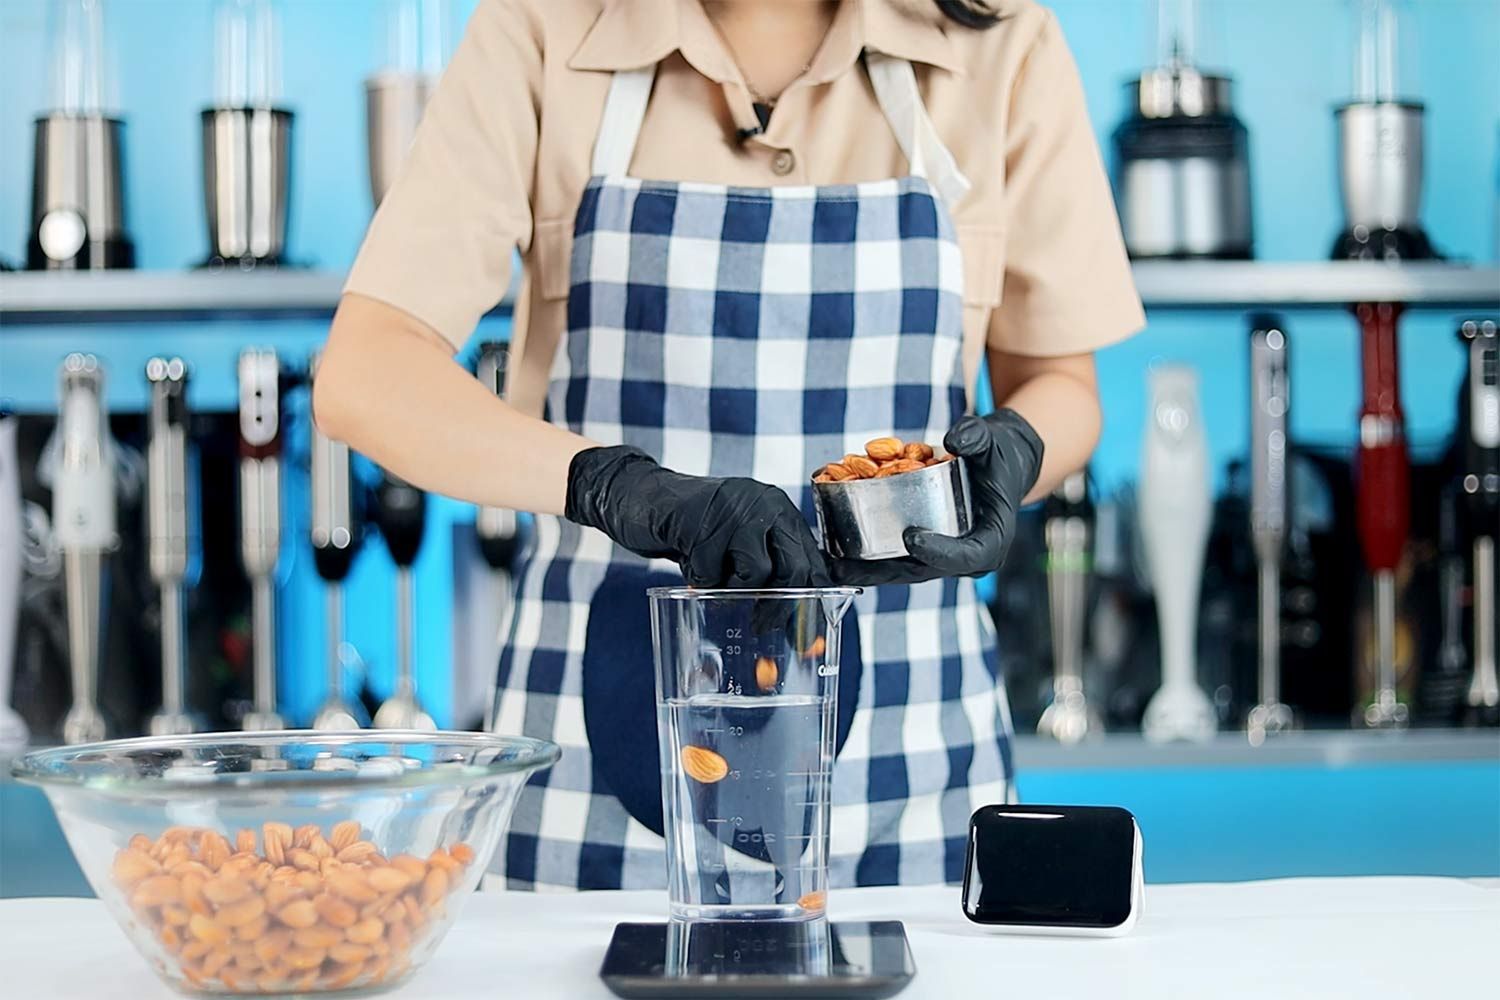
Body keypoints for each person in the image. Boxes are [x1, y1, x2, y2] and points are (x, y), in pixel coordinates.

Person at [315, 0, 1143, 891]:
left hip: (913, 757)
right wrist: (615, 486)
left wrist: (1016, 450)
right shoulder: (545, 26)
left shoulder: (1003, 43)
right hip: (600, 738)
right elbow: (365, 374)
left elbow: (1061, 384)